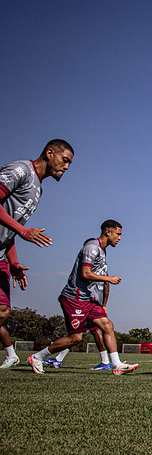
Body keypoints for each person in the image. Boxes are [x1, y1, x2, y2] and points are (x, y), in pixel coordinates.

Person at [27, 220, 138, 375]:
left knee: (107, 326)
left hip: (88, 299)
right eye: (118, 234)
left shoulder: (102, 250)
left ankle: (116, 365)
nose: (119, 238)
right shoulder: (92, 247)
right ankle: (38, 357)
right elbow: (85, 274)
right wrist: (109, 279)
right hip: (75, 298)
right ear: (108, 232)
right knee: (76, 338)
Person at [0, 139, 74, 369]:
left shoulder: (38, 189)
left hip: (2, 255)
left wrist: (14, 261)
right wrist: (23, 230)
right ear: (50, 153)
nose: (67, 167)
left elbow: (9, 226)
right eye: (65, 160)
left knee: (3, 311)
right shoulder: (20, 170)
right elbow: (17, 227)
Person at [43, 279, 112, 369]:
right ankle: (59, 359)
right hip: (90, 303)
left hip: (86, 303)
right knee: (77, 333)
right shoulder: (101, 271)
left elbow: (104, 284)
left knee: (93, 331)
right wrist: (104, 304)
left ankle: (106, 362)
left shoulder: (89, 272)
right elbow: (106, 286)